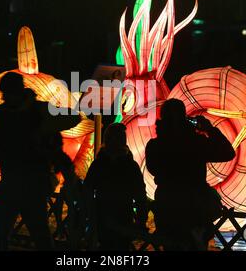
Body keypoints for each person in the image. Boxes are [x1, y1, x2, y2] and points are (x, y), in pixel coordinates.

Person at [0, 72, 79, 250]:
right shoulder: (2, 112)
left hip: (33, 182)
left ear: (18, 92)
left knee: (39, 233)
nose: (5, 97)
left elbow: (74, 117)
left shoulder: (40, 110)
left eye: (8, 93)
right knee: (1, 233)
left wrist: (45, 127)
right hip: (11, 179)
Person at [145, 99, 235, 250]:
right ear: (184, 118)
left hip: (168, 205)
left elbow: (153, 168)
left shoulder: (154, 145)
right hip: (195, 208)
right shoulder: (196, 142)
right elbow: (227, 152)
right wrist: (209, 129)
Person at [84, 123, 148, 251]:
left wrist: (89, 215)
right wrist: (141, 220)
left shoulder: (100, 164)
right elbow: (140, 194)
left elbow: (88, 188)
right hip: (118, 215)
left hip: (107, 215)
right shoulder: (129, 165)